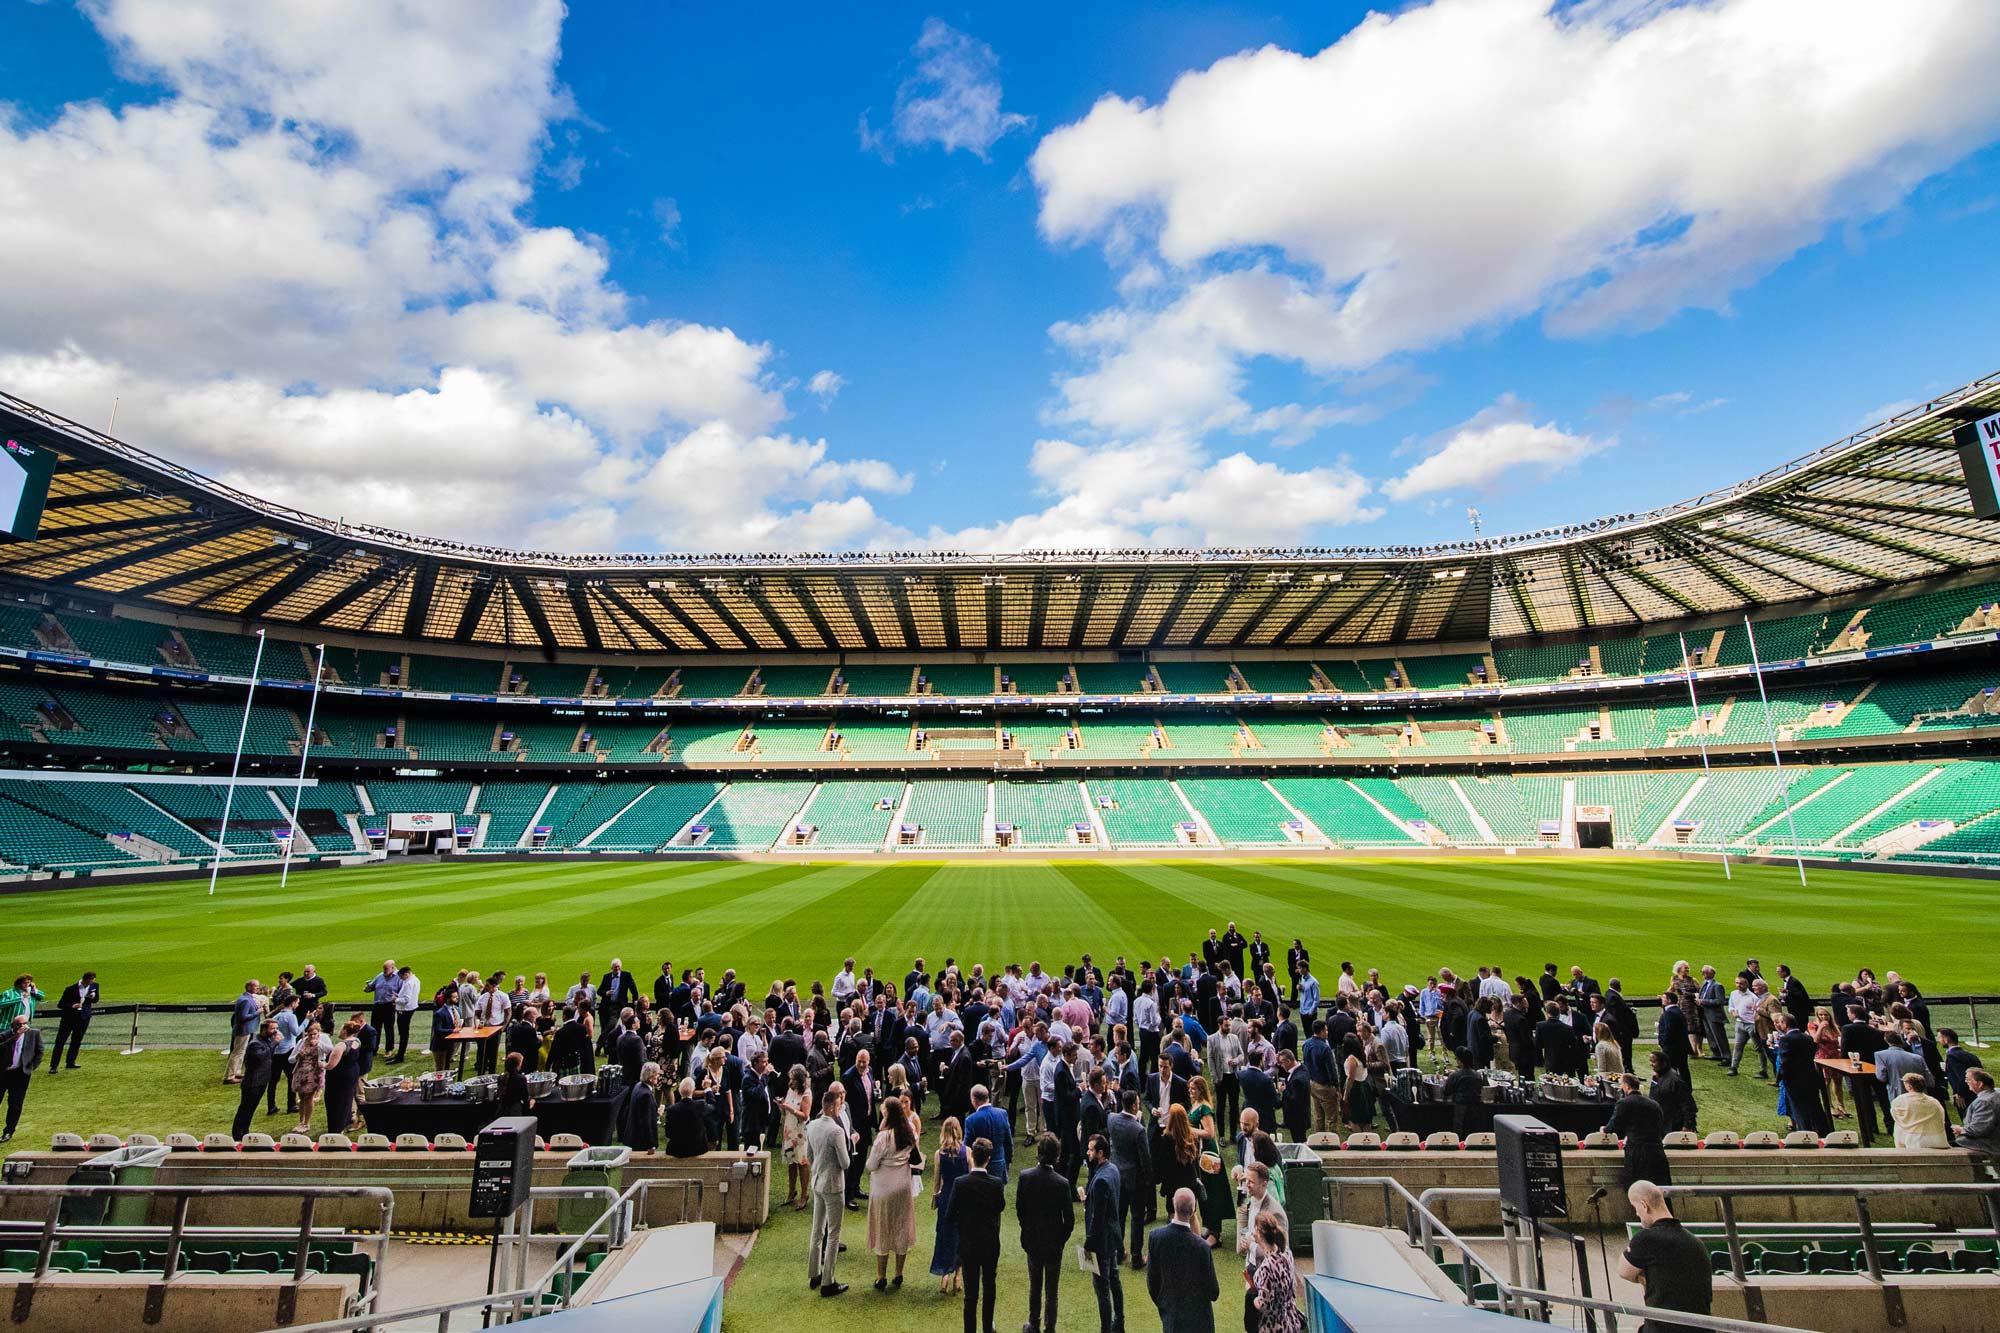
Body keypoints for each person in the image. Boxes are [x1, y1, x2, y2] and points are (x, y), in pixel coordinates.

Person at [1618, 1180, 1712, 1333]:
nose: (1637, 1214)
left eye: (1635, 1208)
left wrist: (1644, 1276)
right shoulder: (1695, 1242)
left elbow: (1624, 1271)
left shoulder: (1646, 1238)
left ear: (1644, 1205)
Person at [1017, 1131, 1076, 1333]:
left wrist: (1027, 1230)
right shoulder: (1062, 1183)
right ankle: (1050, 1327)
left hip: (1033, 1240)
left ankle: (1033, 1323)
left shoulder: (1025, 1177)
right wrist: (1060, 1239)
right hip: (1053, 1243)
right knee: (1052, 1290)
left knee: (1035, 1286)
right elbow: (1069, 1220)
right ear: (1056, 1155)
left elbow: (1021, 1210)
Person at [947, 1137, 1007, 1333]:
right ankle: (987, 1327)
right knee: (989, 1287)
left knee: (970, 1294)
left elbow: (950, 1215)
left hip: (968, 1243)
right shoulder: (996, 1183)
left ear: (972, 1156)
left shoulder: (961, 1183)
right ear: (988, 1158)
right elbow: (1000, 1206)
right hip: (989, 1243)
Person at [1147, 1187, 1220, 1333]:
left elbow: (1152, 1281)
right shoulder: (1201, 1247)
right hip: (1199, 1319)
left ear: (1173, 1204)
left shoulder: (1156, 1237)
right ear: (1193, 1211)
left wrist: (1164, 1303)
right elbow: (1213, 1291)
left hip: (1172, 1315)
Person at [865, 1096, 919, 1290]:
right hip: (903, 1186)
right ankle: (898, 1273)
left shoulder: (884, 1137)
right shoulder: (909, 1131)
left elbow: (871, 1165)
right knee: (901, 1226)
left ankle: (881, 1276)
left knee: (883, 1227)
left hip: (883, 1188)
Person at [805, 1083, 852, 1297]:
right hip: (833, 1185)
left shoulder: (812, 1125)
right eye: (839, 1104)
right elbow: (845, 1162)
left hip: (817, 1181)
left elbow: (810, 1156)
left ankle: (814, 1273)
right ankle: (828, 1281)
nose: (841, 1107)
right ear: (832, 1107)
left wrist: (818, 1169)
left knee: (817, 1230)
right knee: (833, 1233)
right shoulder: (836, 1131)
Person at [1084, 1132, 1125, 1333]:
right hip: (1113, 1237)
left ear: (1100, 1153)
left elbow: (1098, 1218)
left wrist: (1089, 1243)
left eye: (1091, 1150)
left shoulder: (1101, 1179)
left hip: (1101, 1242)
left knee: (1102, 1290)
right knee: (1114, 1281)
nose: (1088, 1153)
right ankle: (1119, 1323)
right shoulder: (1113, 1169)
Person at [1606, 1073, 1670, 1186]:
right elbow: (1661, 1125)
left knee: (1636, 1188)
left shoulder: (1624, 1103)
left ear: (1627, 1086)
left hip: (1637, 1153)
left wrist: (1604, 1130)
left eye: (1621, 1084)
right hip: (1657, 1151)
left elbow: (1613, 1126)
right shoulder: (1654, 1104)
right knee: (1660, 1187)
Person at [1244, 1211, 1303, 1333]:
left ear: (1259, 1234)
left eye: (1255, 1229)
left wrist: (1251, 1292)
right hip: (1291, 1320)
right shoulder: (1286, 1253)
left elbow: (1264, 1305)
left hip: (1273, 1326)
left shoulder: (1267, 1267)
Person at [1187, 1075, 1230, 1243]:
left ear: (1201, 1090)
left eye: (1194, 1089)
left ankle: (1215, 1233)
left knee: (1212, 1192)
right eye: (1190, 1088)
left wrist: (1189, 1130)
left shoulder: (1205, 1108)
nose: (1191, 1091)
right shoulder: (1195, 1105)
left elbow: (1210, 1133)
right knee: (1203, 1190)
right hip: (1198, 1154)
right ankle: (1209, 1226)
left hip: (1208, 1155)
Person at [930, 1115, 968, 1293]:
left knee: (945, 1234)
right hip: (962, 1198)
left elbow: (937, 1181)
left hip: (946, 1197)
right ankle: (958, 1275)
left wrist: (935, 1198)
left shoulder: (939, 1154)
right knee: (961, 1235)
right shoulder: (967, 1152)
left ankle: (945, 1274)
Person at [0, 1015, 44, 1143]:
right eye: (19, 1024)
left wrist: (31, 1067)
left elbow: (39, 1051)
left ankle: (8, 1131)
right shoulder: (5, 1035)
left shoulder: (34, 1034)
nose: (23, 1027)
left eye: (25, 1023)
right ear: (13, 1026)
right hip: (3, 1073)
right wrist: (15, 1037)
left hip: (21, 1075)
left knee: (15, 1104)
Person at [233, 1018, 278, 1140]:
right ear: (264, 1029)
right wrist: (275, 1043)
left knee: (250, 1109)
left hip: (261, 1081)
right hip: (253, 1083)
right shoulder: (255, 1044)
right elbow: (260, 1057)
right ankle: (238, 1134)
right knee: (246, 1109)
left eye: (276, 1028)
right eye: (273, 1028)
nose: (275, 1031)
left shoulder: (266, 1041)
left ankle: (244, 1131)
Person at [322, 1017, 365, 1134]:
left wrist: (321, 1064)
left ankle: (336, 1128)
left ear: (345, 1030)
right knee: (347, 1099)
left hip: (339, 1078)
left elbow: (331, 1065)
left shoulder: (341, 1046)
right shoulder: (357, 1041)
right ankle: (344, 1121)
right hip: (352, 1074)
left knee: (335, 1102)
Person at [49, 971, 98, 1073]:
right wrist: (72, 1006)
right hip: (69, 1019)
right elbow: (61, 1004)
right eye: (90, 981)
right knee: (60, 1042)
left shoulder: (94, 986)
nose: (91, 983)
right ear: (85, 980)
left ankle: (70, 1062)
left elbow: (96, 999)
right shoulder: (70, 989)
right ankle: (54, 1066)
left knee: (76, 1041)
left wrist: (93, 997)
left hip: (83, 1018)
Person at [780, 1065, 813, 1210]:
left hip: (800, 1132)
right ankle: (791, 1191)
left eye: (793, 1079)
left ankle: (804, 1194)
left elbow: (805, 1116)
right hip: (789, 1129)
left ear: (800, 1080)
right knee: (791, 1161)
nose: (791, 1082)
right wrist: (782, 1106)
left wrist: (790, 1108)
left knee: (802, 1162)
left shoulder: (806, 1093)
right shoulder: (790, 1090)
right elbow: (786, 1109)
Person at [964, 1082, 1011, 1182]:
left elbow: (966, 1147)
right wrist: (1008, 1161)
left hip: (979, 1166)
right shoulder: (1002, 1114)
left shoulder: (971, 1120)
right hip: (999, 1163)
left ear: (974, 1100)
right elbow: (1008, 1142)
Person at [1890, 1072, 1950, 1150]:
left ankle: (1901, 1148)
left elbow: (1895, 1115)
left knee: (1899, 1125)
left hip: (1913, 1139)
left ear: (1909, 1086)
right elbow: (1942, 1117)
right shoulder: (1934, 1101)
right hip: (1936, 1138)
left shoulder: (1900, 1100)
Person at [290, 1019, 326, 1134]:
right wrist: (298, 1056)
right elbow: (291, 1059)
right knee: (301, 1097)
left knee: (309, 1097)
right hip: (301, 1073)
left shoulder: (322, 1040)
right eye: (310, 1034)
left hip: (314, 1074)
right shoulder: (302, 1042)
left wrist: (318, 1043)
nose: (312, 1036)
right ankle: (301, 1121)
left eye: (315, 1034)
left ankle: (306, 1123)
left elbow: (330, 1049)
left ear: (318, 1033)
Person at [664, 1077, 713, 1156]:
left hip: (677, 1150)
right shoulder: (700, 1105)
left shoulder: (671, 1109)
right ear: (693, 1090)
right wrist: (708, 1089)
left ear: (679, 1090)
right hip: (698, 1149)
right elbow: (713, 1106)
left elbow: (668, 1133)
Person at [226, 979, 262, 1083]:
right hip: (243, 1030)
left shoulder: (247, 998)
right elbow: (242, 1017)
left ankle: (236, 1072)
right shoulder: (245, 1000)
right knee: (237, 1052)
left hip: (246, 1029)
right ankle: (229, 1076)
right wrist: (257, 1012)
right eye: (256, 986)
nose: (258, 988)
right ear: (249, 987)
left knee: (241, 1052)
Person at [621, 1062, 661, 1151]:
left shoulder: (638, 1085)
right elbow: (646, 1122)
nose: (659, 1076)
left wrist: (654, 1112)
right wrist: (651, 1144)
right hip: (640, 1142)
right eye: (657, 1074)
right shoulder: (646, 1095)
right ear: (651, 1078)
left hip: (632, 1136)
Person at [364, 960, 400, 1060]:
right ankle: (374, 1049)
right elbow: (372, 987)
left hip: (389, 1006)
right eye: (383, 968)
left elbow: (402, 990)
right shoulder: (380, 976)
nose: (384, 971)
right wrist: (367, 988)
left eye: (386, 969)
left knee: (389, 1028)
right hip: (377, 1005)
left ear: (393, 968)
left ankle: (389, 1049)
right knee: (375, 1028)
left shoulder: (398, 978)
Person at [1961, 1069, 1999, 1162]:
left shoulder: (1984, 1101)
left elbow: (1978, 1129)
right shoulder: (1996, 1093)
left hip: (1991, 1144)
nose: (1966, 1081)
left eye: (1969, 1079)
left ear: (1980, 1084)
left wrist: (1961, 1130)